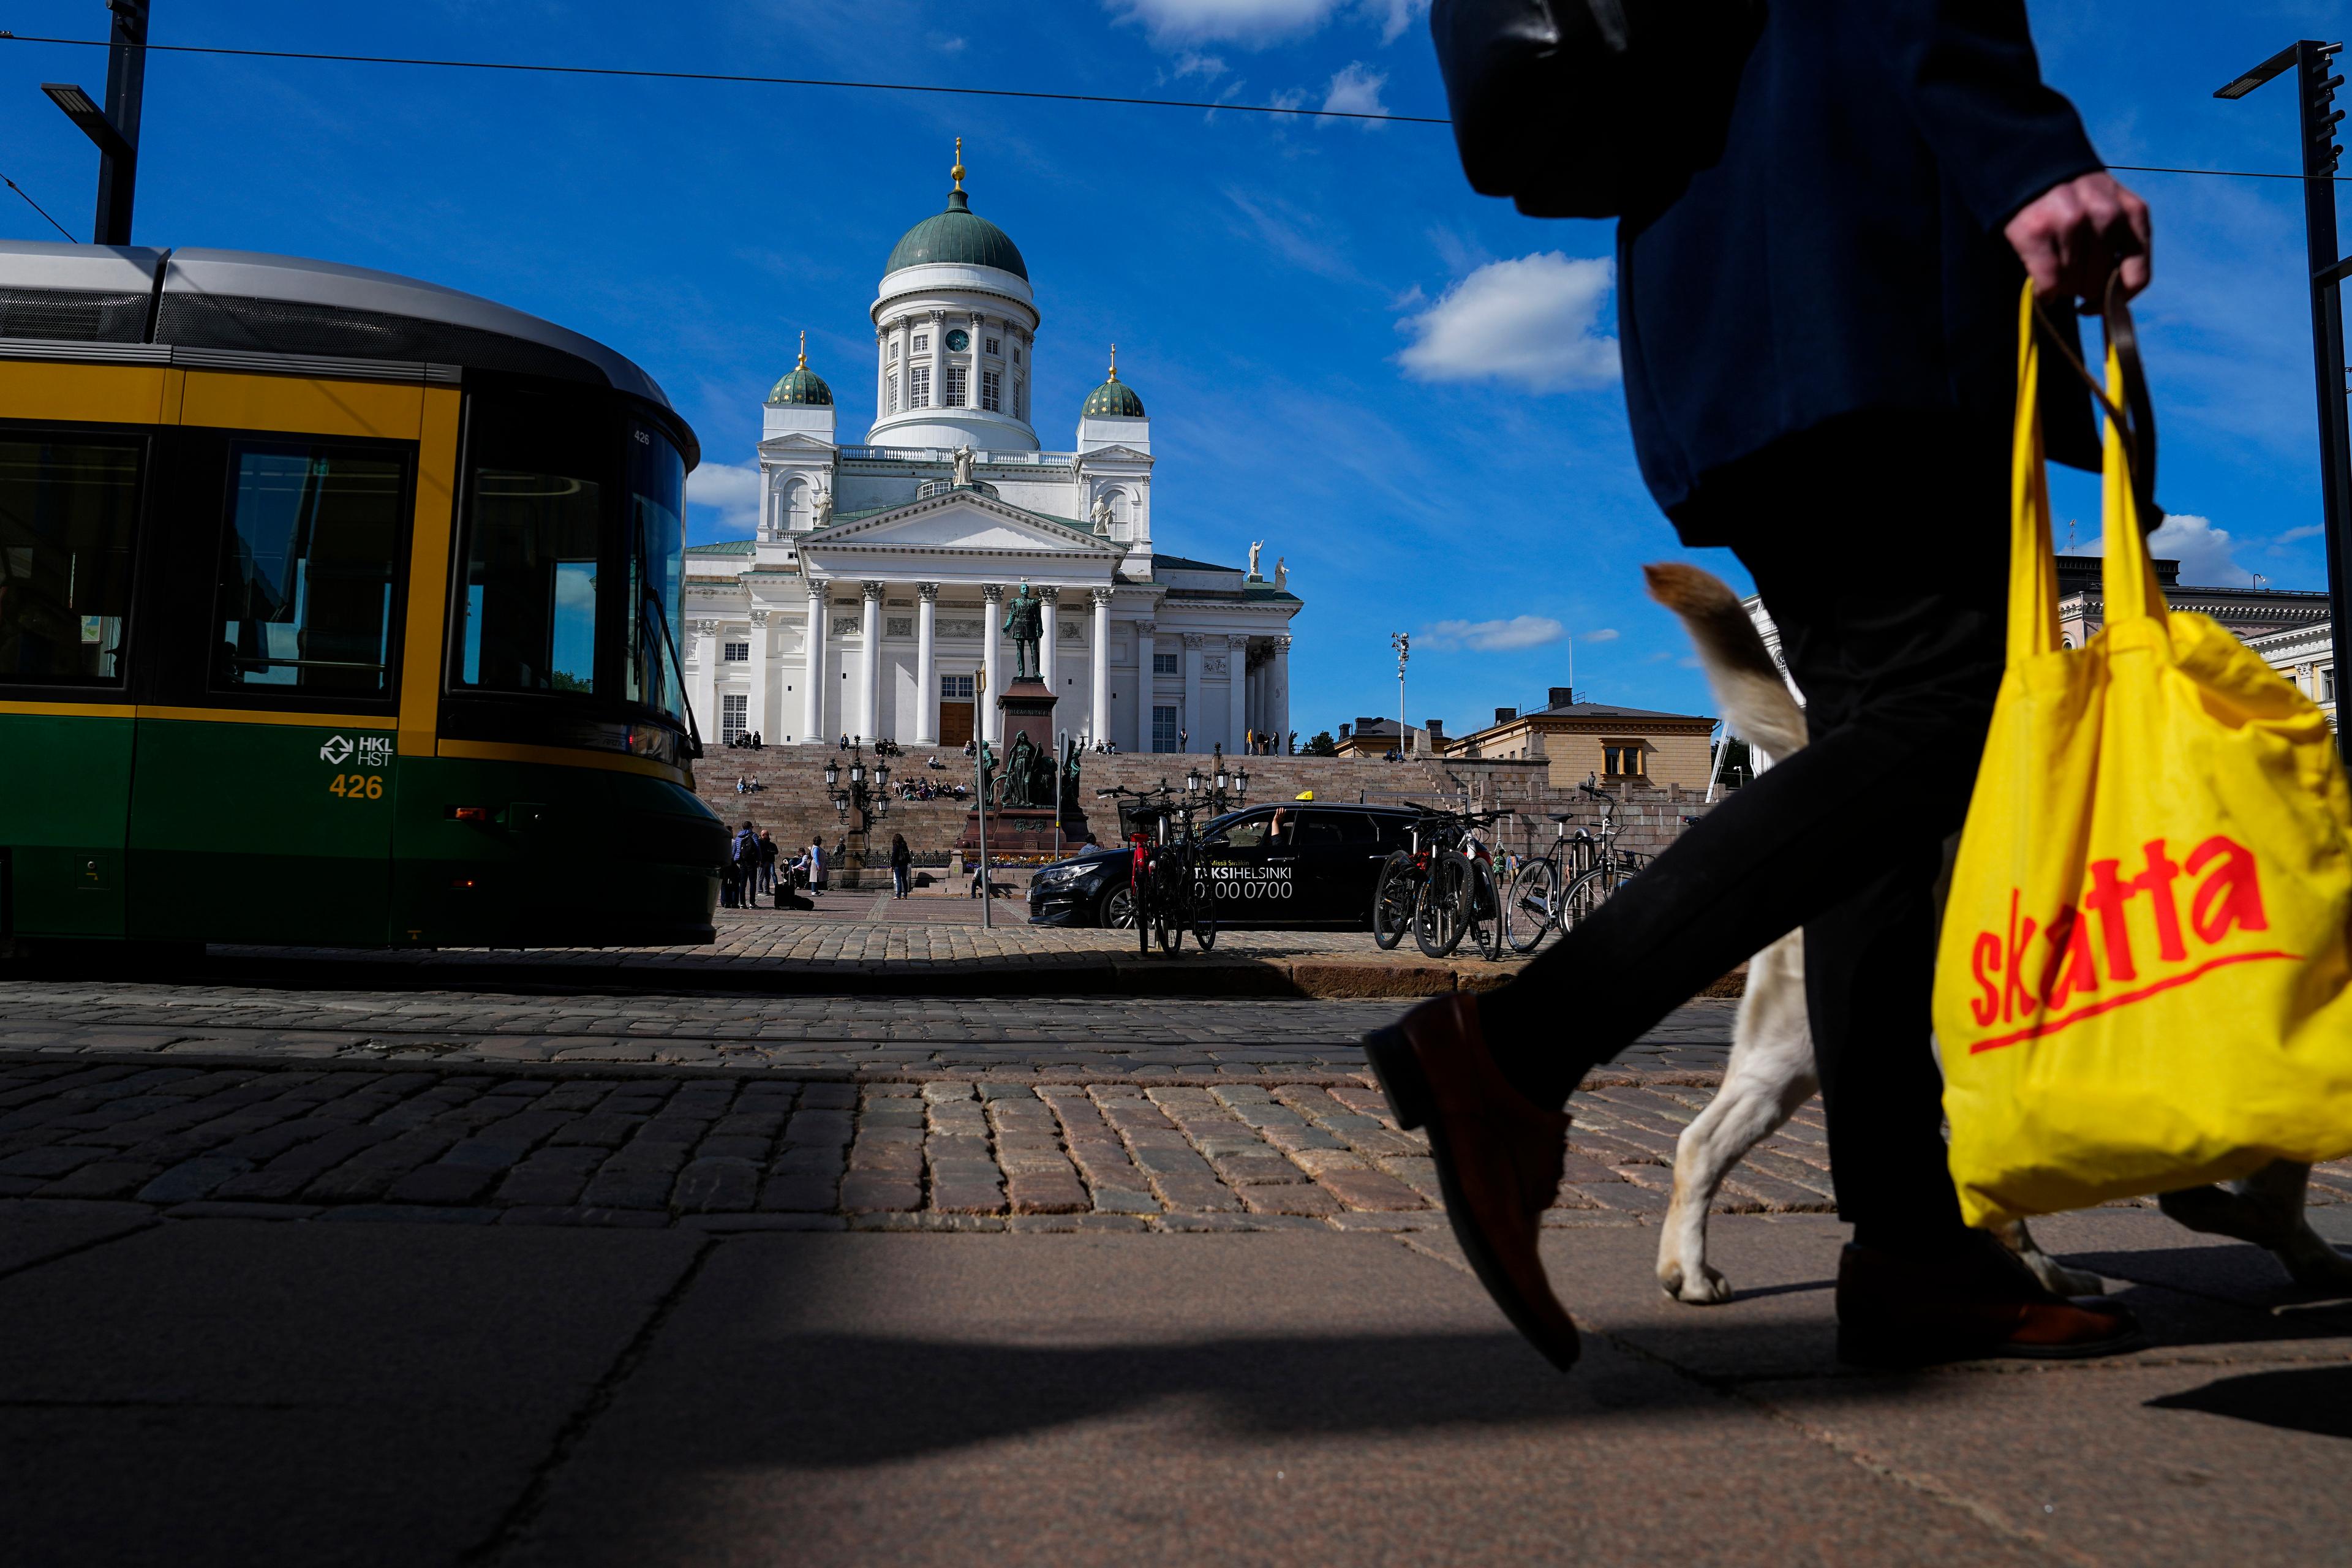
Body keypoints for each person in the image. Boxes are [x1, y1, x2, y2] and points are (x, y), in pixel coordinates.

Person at [1371, 0, 2149, 1371]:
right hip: (1865, 260)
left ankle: (1911, 1244)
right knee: (1949, 710)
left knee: (1881, 769)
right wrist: (2022, 146)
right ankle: (1517, 1047)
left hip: (1730, 283)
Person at [889, 832, 913, 899]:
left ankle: (898, 895)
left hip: (898, 865)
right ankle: (905, 895)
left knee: (898, 880)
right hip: (904, 864)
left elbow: (894, 857)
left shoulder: (896, 846)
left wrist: (892, 866)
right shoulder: (904, 845)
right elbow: (907, 854)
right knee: (905, 880)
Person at [758, 829, 778, 899]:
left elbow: (775, 851)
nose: (769, 836)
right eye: (768, 835)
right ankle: (760, 891)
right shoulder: (760, 842)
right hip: (762, 862)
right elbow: (761, 852)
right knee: (761, 877)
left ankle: (767, 890)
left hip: (769, 861)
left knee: (768, 877)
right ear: (763, 835)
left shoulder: (769, 843)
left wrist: (769, 851)